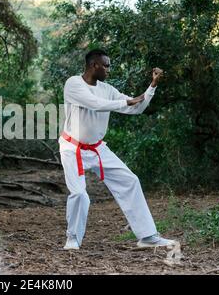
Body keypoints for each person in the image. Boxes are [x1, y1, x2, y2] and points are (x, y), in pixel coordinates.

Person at [60, 49, 176, 250]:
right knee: (79, 194)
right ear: (93, 65)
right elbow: (95, 104)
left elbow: (135, 108)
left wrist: (152, 87)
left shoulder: (108, 89)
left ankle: (147, 236)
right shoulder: (73, 83)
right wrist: (126, 101)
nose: (108, 70)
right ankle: (73, 238)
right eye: (106, 65)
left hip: (97, 148)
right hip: (72, 147)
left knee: (130, 181)